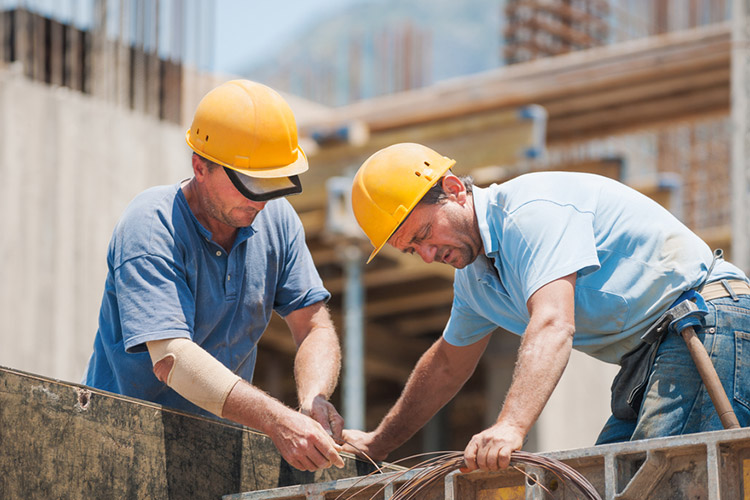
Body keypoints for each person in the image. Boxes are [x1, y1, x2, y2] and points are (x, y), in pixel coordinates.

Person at [342, 142, 750, 471]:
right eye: (414, 250)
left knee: (667, 480)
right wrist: (380, 443)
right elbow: (448, 364)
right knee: (607, 481)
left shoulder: (528, 212)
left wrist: (510, 426)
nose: (428, 255)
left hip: (706, 319)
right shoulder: (476, 280)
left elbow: (554, 322)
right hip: (656, 350)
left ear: (454, 189)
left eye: (426, 233)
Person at [83, 80, 345, 472]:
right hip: (120, 447)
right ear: (200, 167)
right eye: (248, 183)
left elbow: (314, 327)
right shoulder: (152, 225)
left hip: (215, 453)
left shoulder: (277, 220)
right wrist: (276, 420)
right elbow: (172, 359)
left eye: (271, 183)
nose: (260, 199)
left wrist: (314, 400)